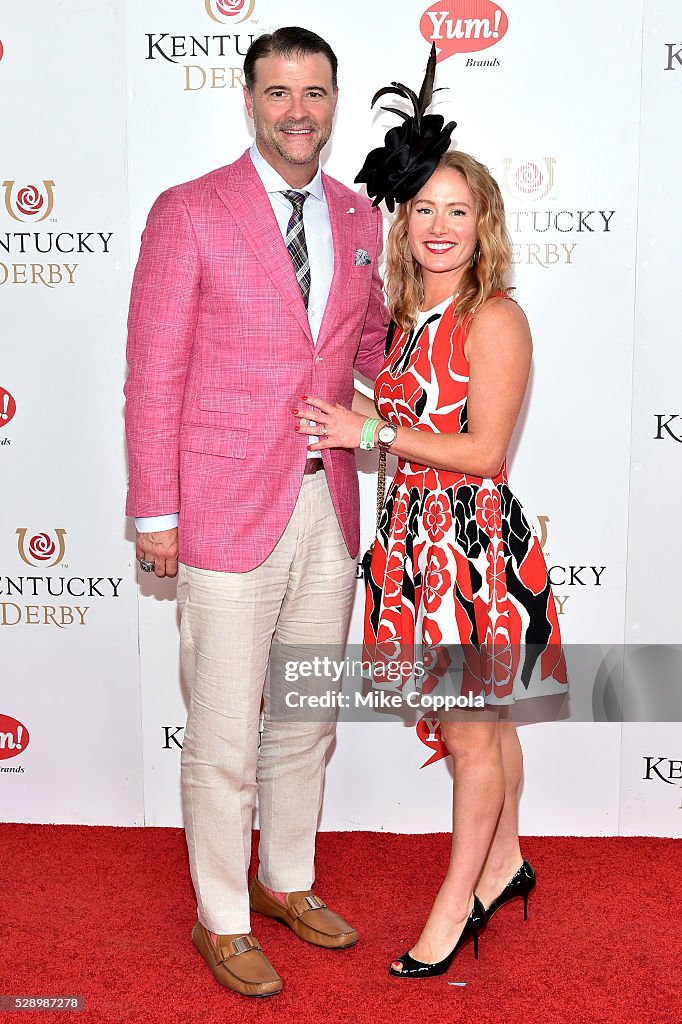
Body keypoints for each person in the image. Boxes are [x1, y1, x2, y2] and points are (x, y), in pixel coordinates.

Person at [124, 27, 388, 998]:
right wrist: (155, 509)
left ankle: (287, 881)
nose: (296, 111)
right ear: (249, 100)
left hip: (331, 509)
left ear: (333, 101)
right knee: (227, 730)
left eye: (313, 92)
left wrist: (452, 356)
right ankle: (222, 916)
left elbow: (373, 344)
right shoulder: (189, 211)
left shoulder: (361, 216)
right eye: (277, 92)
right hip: (227, 507)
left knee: (307, 717)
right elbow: (153, 375)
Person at [294, 47, 567, 980]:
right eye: (424, 210)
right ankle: (506, 863)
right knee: (481, 729)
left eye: (459, 211)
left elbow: (484, 454)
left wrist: (371, 430)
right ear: (402, 222)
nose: (439, 226)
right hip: (415, 545)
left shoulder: (495, 318)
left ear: (482, 224)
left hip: (471, 550)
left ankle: (457, 904)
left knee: (470, 730)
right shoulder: (411, 319)